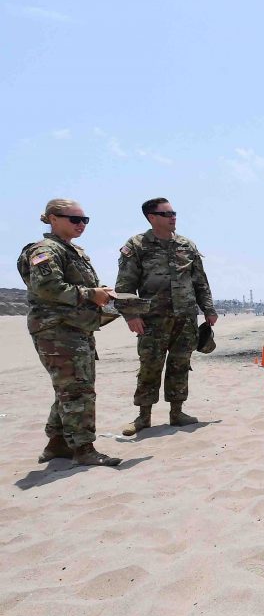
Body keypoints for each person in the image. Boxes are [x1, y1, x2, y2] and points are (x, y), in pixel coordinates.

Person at [17, 199, 122, 466]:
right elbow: (48, 287)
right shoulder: (44, 250)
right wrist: (90, 294)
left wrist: (101, 293)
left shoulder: (71, 250)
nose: (81, 224)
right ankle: (84, 450)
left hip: (76, 328)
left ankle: (58, 444)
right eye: (74, 219)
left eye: (85, 220)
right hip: (58, 330)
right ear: (53, 219)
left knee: (68, 387)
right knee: (77, 390)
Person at [115, 198, 217, 435]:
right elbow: (124, 285)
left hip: (185, 317)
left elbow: (200, 281)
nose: (173, 217)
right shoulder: (137, 245)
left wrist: (208, 309)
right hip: (152, 319)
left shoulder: (186, 245)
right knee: (150, 366)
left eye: (174, 213)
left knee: (180, 364)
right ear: (152, 217)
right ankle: (143, 417)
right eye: (167, 214)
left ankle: (177, 412)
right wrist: (130, 315)